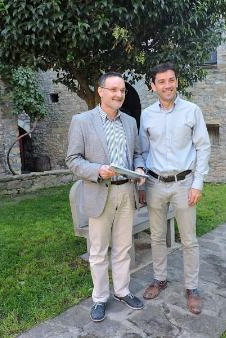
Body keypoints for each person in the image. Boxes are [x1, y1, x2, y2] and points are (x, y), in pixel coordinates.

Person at [66, 72, 146, 322]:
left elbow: (137, 154)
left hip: (126, 192)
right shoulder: (82, 121)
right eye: (113, 90)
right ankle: (100, 297)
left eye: (121, 90)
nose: (118, 95)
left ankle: (122, 290)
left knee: (123, 247)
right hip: (100, 191)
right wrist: (97, 170)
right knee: (98, 251)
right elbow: (72, 160)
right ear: (100, 91)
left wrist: (140, 168)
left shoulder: (130, 122)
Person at [139, 62, 211, 314]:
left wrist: (198, 183)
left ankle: (192, 287)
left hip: (184, 184)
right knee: (157, 237)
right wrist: (141, 178)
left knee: (189, 239)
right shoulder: (147, 115)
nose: (167, 85)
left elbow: (203, 147)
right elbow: (142, 151)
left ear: (176, 81)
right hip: (155, 184)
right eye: (161, 81)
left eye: (171, 80)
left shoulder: (192, 111)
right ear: (153, 86)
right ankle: (160, 279)